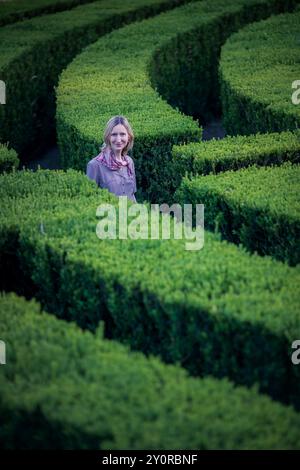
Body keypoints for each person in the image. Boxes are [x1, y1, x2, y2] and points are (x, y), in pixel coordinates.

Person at [86, 115, 137, 202]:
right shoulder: (95, 165)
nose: (118, 139)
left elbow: (132, 195)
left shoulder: (129, 162)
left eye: (122, 134)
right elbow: (89, 200)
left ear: (128, 137)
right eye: (114, 134)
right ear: (108, 137)